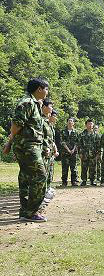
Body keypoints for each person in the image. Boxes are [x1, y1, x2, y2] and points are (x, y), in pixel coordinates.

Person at [3, 78, 49, 222]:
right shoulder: (27, 103)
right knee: (40, 177)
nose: (47, 92)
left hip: (30, 147)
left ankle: (25, 211)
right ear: (39, 89)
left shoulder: (34, 103)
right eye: (46, 89)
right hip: (27, 147)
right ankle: (31, 212)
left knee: (27, 179)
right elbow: (16, 125)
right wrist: (9, 142)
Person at [41, 100, 58, 205]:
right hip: (42, 152)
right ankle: (41, 196)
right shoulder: (41, 120)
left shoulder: (49, 124)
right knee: (42, 174)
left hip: (49, 152)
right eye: (50, 106)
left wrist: (54, 149)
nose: (54, 117)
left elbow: (50, 140)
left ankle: (44, 192)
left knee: (47, 173)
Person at [79, 119, 100, 186]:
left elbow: (98, 145)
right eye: (88, 124)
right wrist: (80, 153)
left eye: (91, 124)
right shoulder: (82, 134)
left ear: (93, 125)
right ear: (86, 125)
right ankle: (84, 180)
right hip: (84, 154)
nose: (90, 125)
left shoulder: (96, 135)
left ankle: (92, 180)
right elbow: (79, 144)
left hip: (93, 154)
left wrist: (98, 153)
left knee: (93, 168)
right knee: (84, 167)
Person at [60, 117, 79, 186]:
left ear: (73, 123)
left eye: (71, 121)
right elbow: (62, 142)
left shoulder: (76, 132)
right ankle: (64, 182)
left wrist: (73, 150)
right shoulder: (63, 131)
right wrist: (68, 150)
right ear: (67, 122)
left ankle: (74, 181)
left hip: (73, 153)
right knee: (65, 168)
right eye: (69, 121)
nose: (70, 122)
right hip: (65, 152)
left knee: (74, 168)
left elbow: (77, 142)